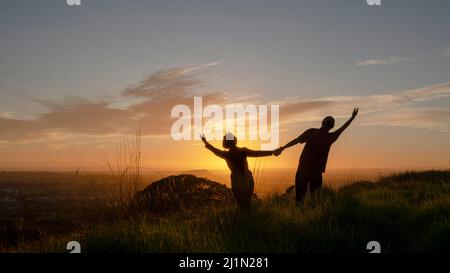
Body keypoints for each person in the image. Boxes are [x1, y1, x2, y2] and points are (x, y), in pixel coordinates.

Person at [275, 108, 359, 205]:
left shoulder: (313, 132)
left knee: (301, 199)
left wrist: (283, 148)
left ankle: (302, 217)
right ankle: (310, 216)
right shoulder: (330, 137)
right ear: (331, 126)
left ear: (323, 123)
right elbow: (342, 128)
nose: (327, 125)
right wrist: (352, 118)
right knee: (314, 198)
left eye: (327, 123)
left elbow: (296, 140)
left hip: (305, 170)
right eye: (329, 123)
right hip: (314, 171)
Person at [201, 133, 275, 209]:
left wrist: (205, 142)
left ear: (225, 143)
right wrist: (272, 152)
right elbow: (258, 153)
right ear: (235, 140)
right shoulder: (243, 151)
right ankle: (248, 218)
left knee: (242, 206)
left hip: (236, 182)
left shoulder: (226, 154)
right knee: (247, 203)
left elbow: (214, 150)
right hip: (248, 179)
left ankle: (244, 218)